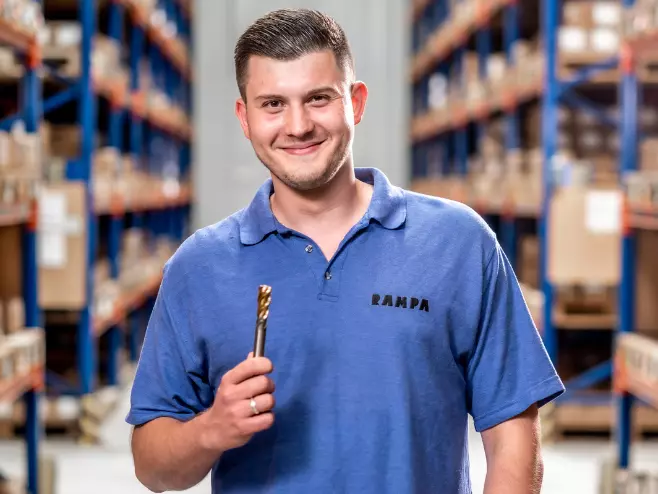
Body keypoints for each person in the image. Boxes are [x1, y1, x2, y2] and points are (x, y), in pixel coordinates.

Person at [127, 8, 564, 494]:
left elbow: (513, 439)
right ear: (244, 117)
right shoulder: (198, 268)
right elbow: (152, 468)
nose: (297, 126)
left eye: (318, 99)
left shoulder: (458, 243)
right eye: (272, 104)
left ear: (355, 102)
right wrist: (211, 429)